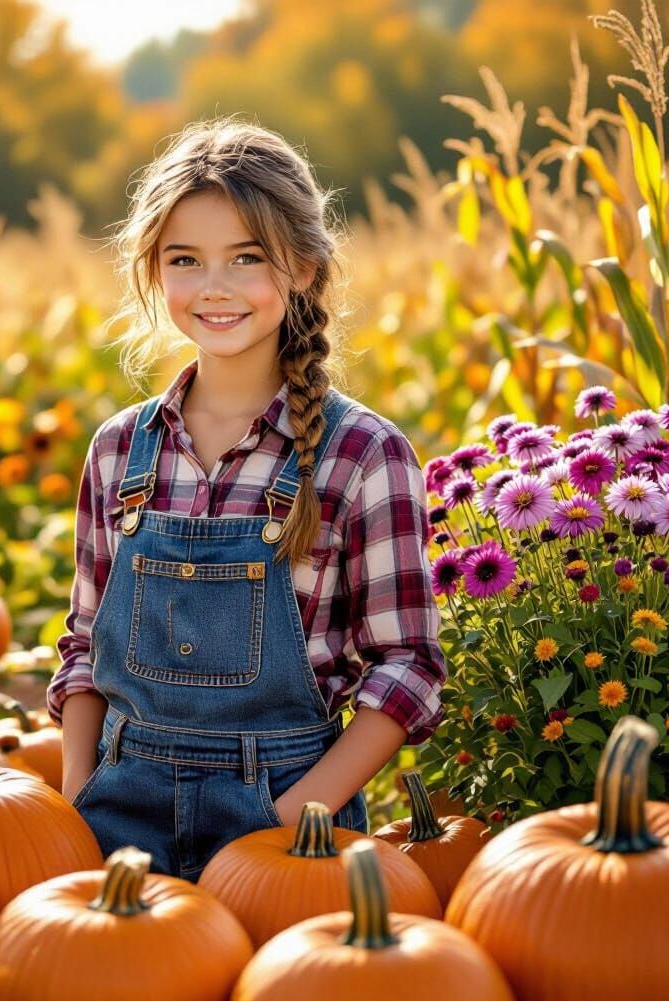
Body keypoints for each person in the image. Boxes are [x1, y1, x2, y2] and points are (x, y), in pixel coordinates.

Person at [48, 117, 446, 882]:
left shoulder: (361, 455)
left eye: (247, 258)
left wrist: (295, 820)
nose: (215, 287)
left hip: (290, 818)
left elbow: (409, 664)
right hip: (116, 815)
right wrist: (76, 800)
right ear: (156, 273)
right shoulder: (119, 451)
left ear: (301, 266)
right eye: (185, 260)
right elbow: (84, 647)